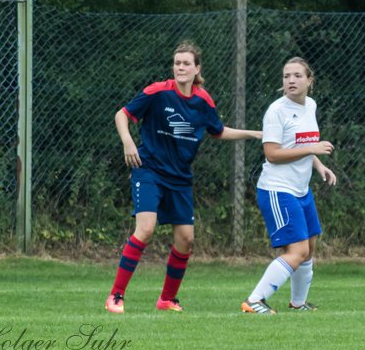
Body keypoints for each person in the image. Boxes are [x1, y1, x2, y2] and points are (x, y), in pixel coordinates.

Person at [106, 41, 262, 314]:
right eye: (177, 63)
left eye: (186, 63)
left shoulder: (203, 101)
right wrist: (127, 142)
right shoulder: (158, 92)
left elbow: (217, 130)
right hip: (149, 169)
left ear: (196, 69)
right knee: (145, 229)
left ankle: (167, 300)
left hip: (179, 177)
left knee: (186, 239)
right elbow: (123, 114)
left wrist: (252, 134)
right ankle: (116, 296)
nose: (180, 67)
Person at [242, 57, 336, 314]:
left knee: (310, 247)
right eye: (286, 76)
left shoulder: (311, 106)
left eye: (296, 75)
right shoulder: (276, 111)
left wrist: (319, 165)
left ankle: (298, 303)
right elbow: (272, 154)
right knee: (297, 250)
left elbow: (302, 144)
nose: (291, 80)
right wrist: (312, 148)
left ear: (309, 80)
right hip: (277, 189)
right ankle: (254, 301)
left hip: (301, 190)